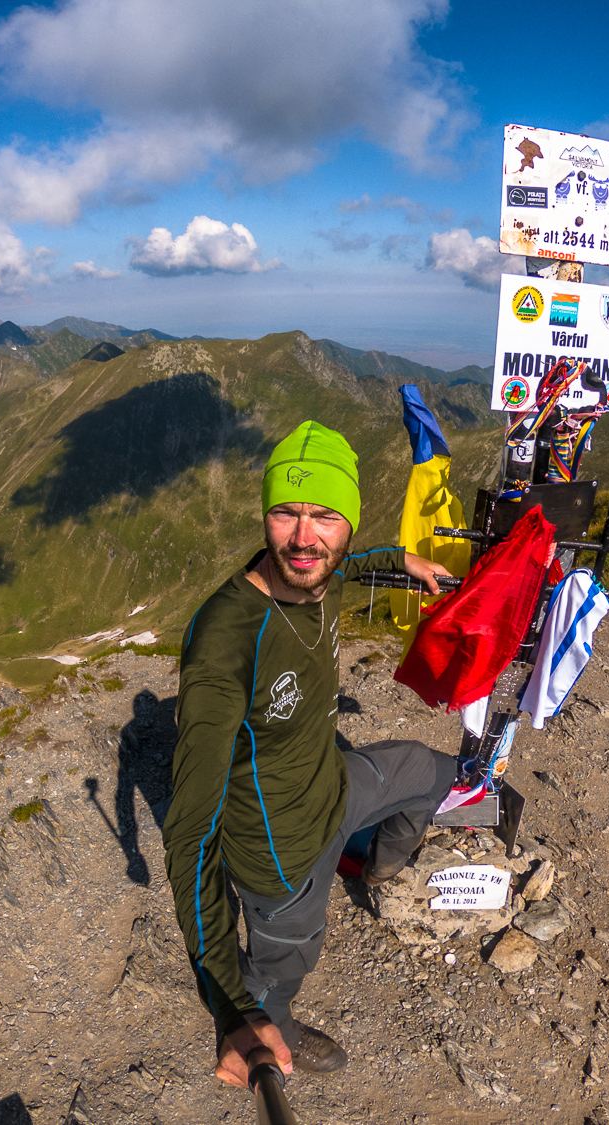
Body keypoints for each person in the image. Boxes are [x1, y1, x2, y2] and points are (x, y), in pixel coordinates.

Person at [162, 420, 458, 1089]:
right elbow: (190, 835)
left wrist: (399, 561)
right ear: (264, 515)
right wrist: (230, 1006)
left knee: (429, 771)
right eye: (285, 513)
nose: (303, 536)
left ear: (347, 520)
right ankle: (278, 1024)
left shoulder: (323, 571)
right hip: (282, 856)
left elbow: (344, 562)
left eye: (324, 514)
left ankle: (379, 868)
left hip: (333, 784)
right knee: (285, 967)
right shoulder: (227, 640)